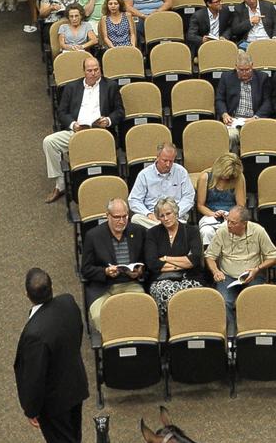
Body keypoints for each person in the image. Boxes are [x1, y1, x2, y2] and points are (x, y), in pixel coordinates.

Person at [14, 268, 88, 443]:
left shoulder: (34, 334)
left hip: (54, 399)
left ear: (27, 294)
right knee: (73, 431)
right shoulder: (68, 303)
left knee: (61, 442)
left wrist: (31, 409)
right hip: (75, 381)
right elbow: (78, 332)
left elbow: (34, 376)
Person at [42, 54, 122, 203]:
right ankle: (60, 184)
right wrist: (73, 125)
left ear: (100, 69)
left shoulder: (111, 86)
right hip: (77, 132)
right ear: (84, 71)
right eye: (90, 70)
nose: (93, 73)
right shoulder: (72, 87)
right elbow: (61, 112)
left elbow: (119, 112)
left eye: (96, 70)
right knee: (49, 142)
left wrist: (108, 120)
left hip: (101, 133)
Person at [80, 198, 146, 331]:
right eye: (117, 217)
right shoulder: (93, 236)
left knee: (141, 310)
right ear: (107, 216)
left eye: (124, 216)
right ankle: (111, 342)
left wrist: (140, 271)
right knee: (101, 316)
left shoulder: (138, 231)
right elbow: (85, 269)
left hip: (130, 283)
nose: (121, 221)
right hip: (102, 288)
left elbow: (147, 262)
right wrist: (105, 271)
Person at [205, 205, 276, 324]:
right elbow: (210, 256)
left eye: (233, 223)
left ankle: (249, 328)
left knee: (253, 300)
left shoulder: (258, 231)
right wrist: (216, 271)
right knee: (223, 301)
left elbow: (273, 257)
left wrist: (257, 269)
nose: (229, 225)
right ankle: (231, 329)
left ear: (244, 223)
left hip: (252, 275)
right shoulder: (222, 231)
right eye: (228, 221)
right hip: (227, 275)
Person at [145, 196, 205, 319]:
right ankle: (175, 324)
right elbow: (152, 264)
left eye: (168, 213)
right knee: (166, 291)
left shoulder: (192, 231)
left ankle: (189, 322)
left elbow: (194, 260)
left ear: (176, 213)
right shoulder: (152, 233)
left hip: (190, 277)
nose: (166, 218)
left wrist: (166, 258)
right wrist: (183, 262)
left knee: (191, 295)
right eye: (162, 216)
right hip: (161, 280)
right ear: (158, 218)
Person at [128, 142, 195, 228]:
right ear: (157, 157)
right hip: (153, 217)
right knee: (135, 218)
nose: (168, 164)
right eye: (165, 160)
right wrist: (148, 214)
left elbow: (189, 197)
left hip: (175, 216)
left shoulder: (181, 172)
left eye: (171, 161)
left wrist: (175, 213)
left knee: (178, 220)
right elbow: (134, 200)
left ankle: (161, 228)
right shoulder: (144, 174)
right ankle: (166, 228)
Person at [196, 153, 246, 248]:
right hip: (210, 214)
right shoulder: (205, 177)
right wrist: (213, 214)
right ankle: (209, 255)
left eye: (229, 176)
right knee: (206, 231)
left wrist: (230, 215)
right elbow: (200, 205)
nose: (226, 178)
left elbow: (240, 205)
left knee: (229, 230)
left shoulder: (238, 178)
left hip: (231, 214)